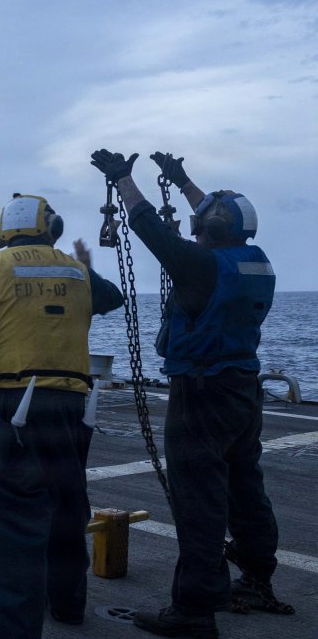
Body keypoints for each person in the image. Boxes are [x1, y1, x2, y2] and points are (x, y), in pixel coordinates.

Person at [90, 150, 288, 638]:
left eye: (202, 223)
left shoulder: (201, 266)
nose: (197, 226)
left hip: (200, 394)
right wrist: (182, 182)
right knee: (246, 489)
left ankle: (194, 611)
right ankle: (257, 580)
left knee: (199, 503)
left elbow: (151, 230)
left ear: (212, 232)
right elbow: (219, 220)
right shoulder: (255, 260)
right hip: (243, 390)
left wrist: (123, 180)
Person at [0, 193, 124, 639]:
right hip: (73, 408)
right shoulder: (76, 272)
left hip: (14, 406)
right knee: (66, 505)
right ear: (52, 228)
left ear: (2, 232)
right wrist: (82, 264)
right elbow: (112, 298)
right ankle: (68, 604)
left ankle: (13, 631)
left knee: (12, 521)